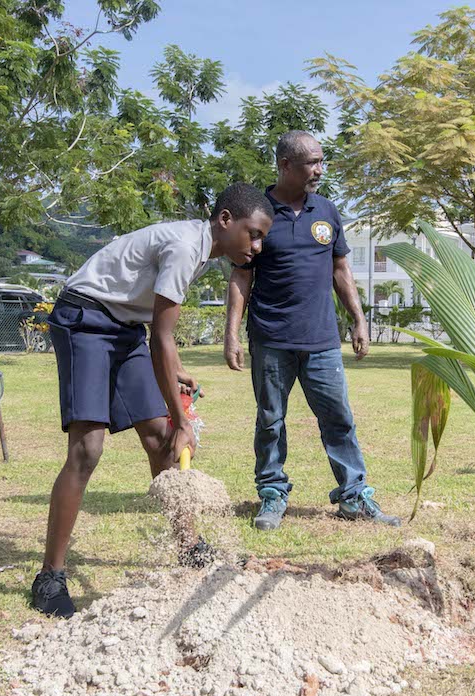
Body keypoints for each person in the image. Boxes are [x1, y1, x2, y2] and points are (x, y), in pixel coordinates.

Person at [32, 183, 274, 618]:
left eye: (261, 238)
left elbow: (157, 329)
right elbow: (160, 338)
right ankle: (50, 577)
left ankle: (188, 546)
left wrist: (174, 375)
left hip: (122, 327)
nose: (256, 247)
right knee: (88, 448)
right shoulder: (186, 248)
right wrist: (182, 419)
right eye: (253, 233)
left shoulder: (201, 249)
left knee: (161, 439)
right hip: (85, 317)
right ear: (225, 221)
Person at [224, 131, 401, 531]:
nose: (319, 170)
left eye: (322, 162)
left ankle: (354, 497)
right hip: (271, 338)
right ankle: (271, 493)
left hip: (321, 339)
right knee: (271, 420)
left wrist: (358, 318)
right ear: (286, 165)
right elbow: (240, 276)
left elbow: (341, 269)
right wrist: (232, 333)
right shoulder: (259, 212)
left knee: (338, 417)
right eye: (312, 163)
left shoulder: (327, 211)